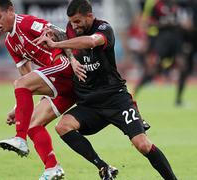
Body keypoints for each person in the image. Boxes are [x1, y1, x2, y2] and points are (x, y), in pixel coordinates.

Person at [35, 0, 177, 179]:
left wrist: (55, 44)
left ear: (90, 16)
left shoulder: (104, 29)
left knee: (142, 145)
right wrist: (67, 51)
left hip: (115, 99)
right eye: (71, 22)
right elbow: (68, 39)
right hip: (89, 103)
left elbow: (90, 42)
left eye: (78, 21)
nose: (74, 26)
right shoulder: (72, 29)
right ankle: (103, 167)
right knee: (63, 126)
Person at [0, 0, 76, 179]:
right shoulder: (10, 43)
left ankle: (19, 138)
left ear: (10, 10)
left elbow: (62, 34)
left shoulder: (26, 23)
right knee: (33, 124)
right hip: (59, 83)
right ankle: (52, 168)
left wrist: (74, 59)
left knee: (20, 86)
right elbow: (26, 79)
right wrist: (17, 108)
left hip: (65, 68)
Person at [134, 0, 191, 106]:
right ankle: (133, 95)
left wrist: (183, 24)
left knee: (183, 66)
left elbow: (187, 23)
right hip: (162, 39)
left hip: (176, 38)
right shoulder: (155, 4)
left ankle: (178, 100)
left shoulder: (178, 5)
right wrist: (161, 24)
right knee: (153, 68)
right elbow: (146, 22)